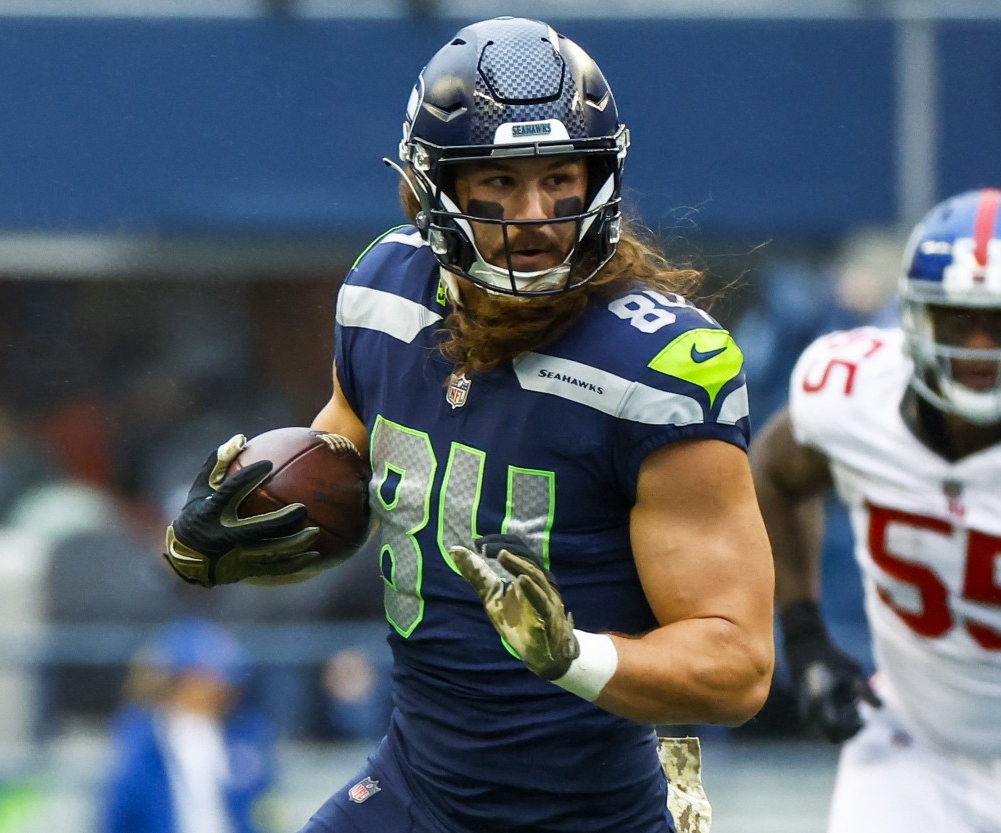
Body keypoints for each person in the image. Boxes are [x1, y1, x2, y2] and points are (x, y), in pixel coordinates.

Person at [162, 16, 774, 833]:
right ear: (426, 190)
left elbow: (738, 663)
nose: (538, 216)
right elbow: (353, 477)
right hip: (418, 788)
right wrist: (229, 532)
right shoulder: (385, 294)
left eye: (561, 177)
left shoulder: (658, 368)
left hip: (587, 816)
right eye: (499, 184)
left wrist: (572, 655)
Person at [750, 188, 1001, 832]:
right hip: (914, 752)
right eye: (958, 319)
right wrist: (805, 635)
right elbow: (773, 471)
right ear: (915, 319)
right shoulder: (853, 395)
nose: (980, 347)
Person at [99, 619, 279, 833]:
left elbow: (263, 813)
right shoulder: (141, 739)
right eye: (208, 678)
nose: (222, 691)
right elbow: (120, 813)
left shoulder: (247, 736)